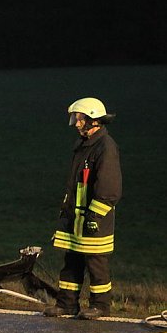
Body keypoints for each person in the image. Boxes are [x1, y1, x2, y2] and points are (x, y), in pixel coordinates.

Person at [44, 97, 122, 320]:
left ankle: (100, 305)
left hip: (95, 219)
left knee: (96, 264)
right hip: (76, 218)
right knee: (72, 262)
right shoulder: (83, 145)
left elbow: (110, 188)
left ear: (93, 120)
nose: (76, 124)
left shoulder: (105, 147)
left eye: (80, 119)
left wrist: (95, 215)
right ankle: (67, 304)